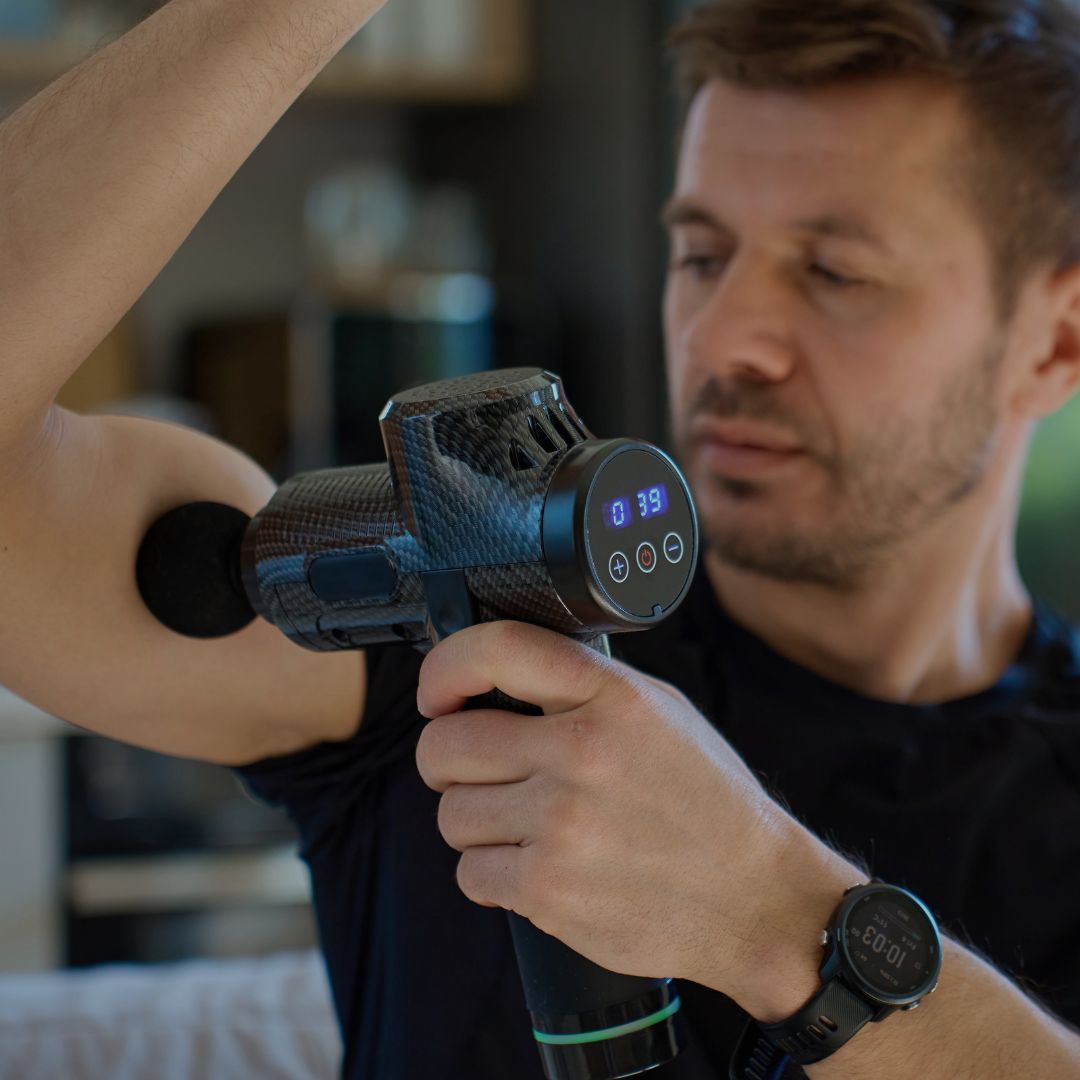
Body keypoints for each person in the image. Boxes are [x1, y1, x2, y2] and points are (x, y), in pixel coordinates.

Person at [0, 0, 1078, 1076]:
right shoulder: (460, 624)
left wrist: (771, 917)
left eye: (834, 272)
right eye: (703, 255)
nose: (725, 336)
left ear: (1055, 342)